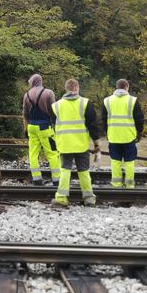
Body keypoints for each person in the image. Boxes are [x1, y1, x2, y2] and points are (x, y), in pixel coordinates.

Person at [51, 79, 99, 207]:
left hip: (64, 144)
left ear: (66, 88)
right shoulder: (85, 103)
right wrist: (96, 143)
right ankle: (89, 199)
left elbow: (53, 125)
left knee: (65, 170)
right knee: (83, 171)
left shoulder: (56, 105)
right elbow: (92, 125)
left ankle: (61, 198)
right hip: (81, 144)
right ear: (77, 88)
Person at [101, 79, 145, 189]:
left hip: (113, 136)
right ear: (127, 87)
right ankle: (129, 185)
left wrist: (107, 133)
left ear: (116, 87)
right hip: (129, 136)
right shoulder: (133, 100)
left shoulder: (107, 101)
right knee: (129, 162)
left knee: (115, 161)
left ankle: (116, 185)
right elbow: (139, 119)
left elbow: (103, 120)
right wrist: (139, 133)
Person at [22, 74, 60, 186]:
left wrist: (25, 129)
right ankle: (56, 179)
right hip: (45, 127)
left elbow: (24, 114)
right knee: (52, 153)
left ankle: (37, 179)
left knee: (33, 154)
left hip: (31, 127)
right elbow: (54, 112)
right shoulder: (48, 93)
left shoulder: (26, 95)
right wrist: (56, 126)